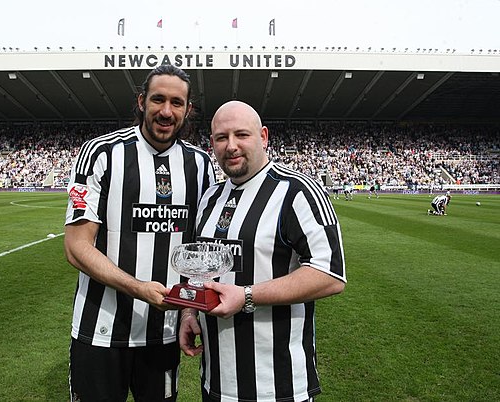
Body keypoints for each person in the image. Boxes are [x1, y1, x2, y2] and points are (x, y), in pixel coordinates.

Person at [63, 64, 215, 402]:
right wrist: (138, 288)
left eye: (177, 103)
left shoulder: (201, 165)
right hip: (100, 331)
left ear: (187, 110)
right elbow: (76, 247)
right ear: (141, 101)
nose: (166, 111)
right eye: (158, 100)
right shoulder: (102, 153)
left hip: (162, 335)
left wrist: (189, 309)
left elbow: (198, 252)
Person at [179, 101, 347, 402]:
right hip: (215, 383)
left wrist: (246, 296)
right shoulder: (210, 198)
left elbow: (329, 274)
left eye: (241, 135)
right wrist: (189, 311)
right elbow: (199, 266)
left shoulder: (297, 191)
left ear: (264, 137)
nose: (230, 146)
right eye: (221, 137)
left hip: (276, 386)